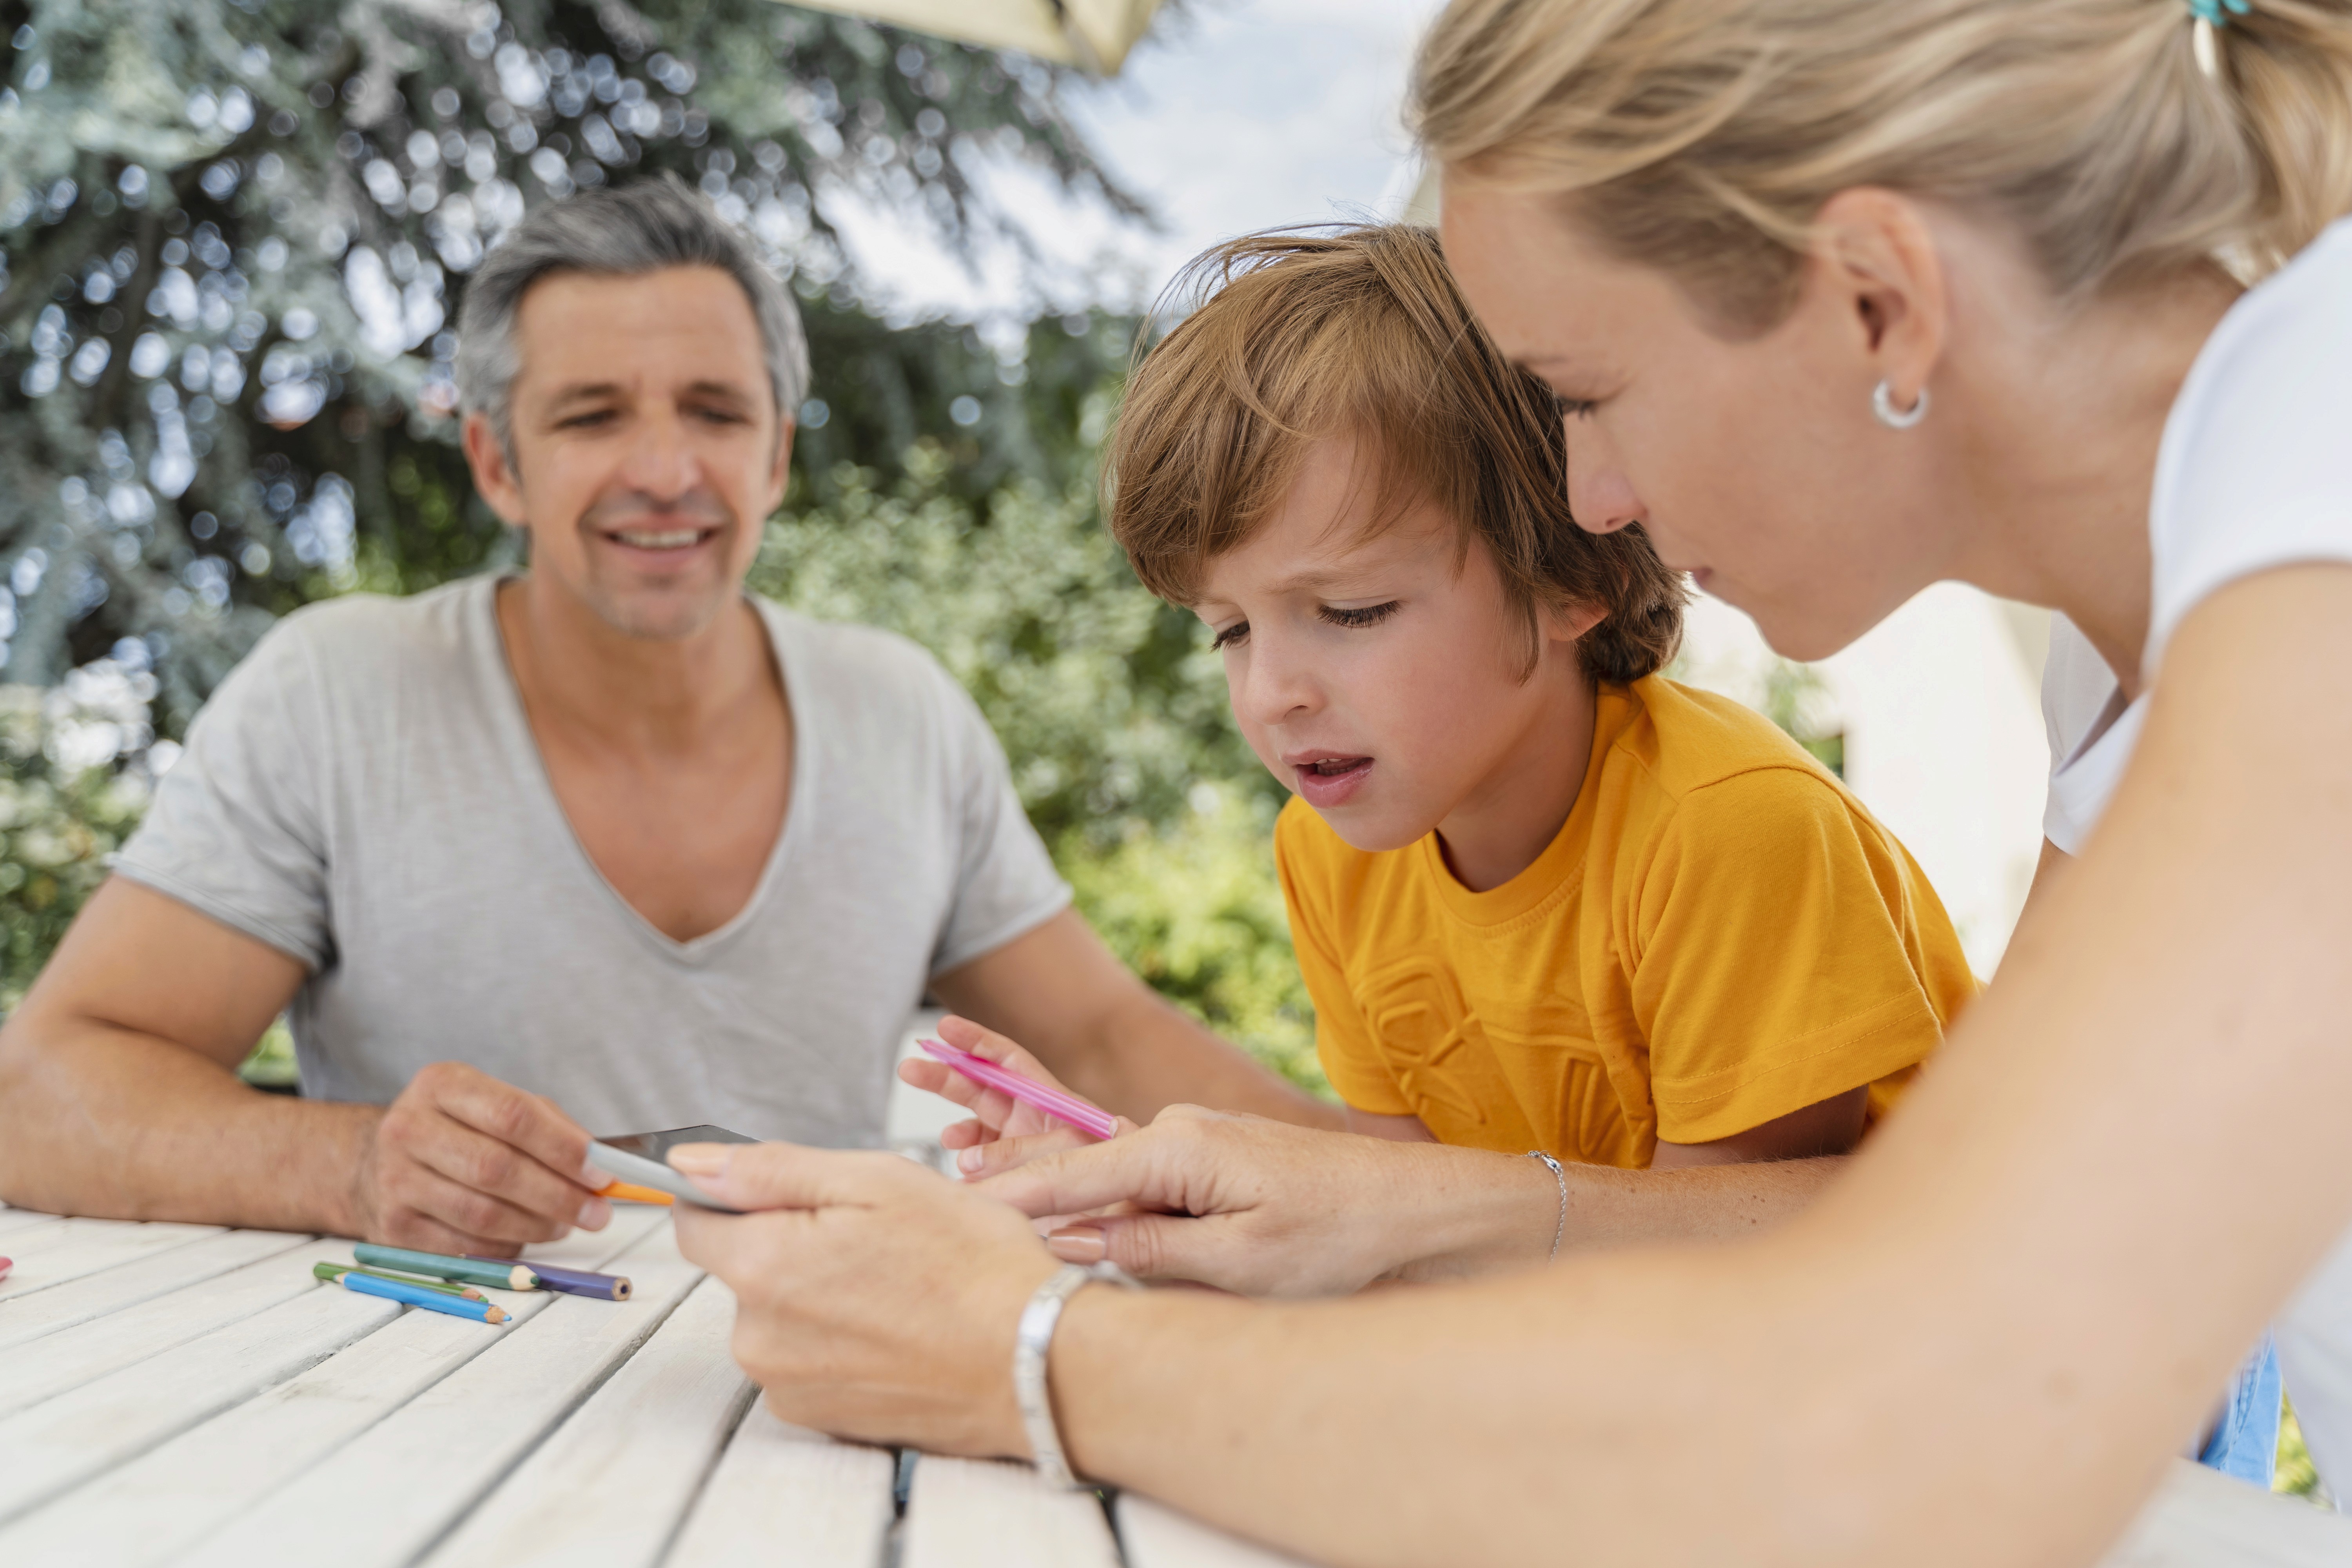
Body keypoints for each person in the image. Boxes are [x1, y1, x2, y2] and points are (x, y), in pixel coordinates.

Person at [667, 0, 2352, 1560]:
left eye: (1584, 393)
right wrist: (1371, 1203)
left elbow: (1882, 1409)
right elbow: (1995, 1272)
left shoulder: (2317, 470)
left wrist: (1028, 1351)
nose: (1592, 499)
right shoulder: (2142, 635)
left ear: (1877, 300)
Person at [0, 177, 1329, 1256]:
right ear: (495, 462)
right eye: (591, 416)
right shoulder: (338, 693)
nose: (663, 471)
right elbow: (42, 1093)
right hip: (423, 1408)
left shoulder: (900, 711)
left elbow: (1100, 1042)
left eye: (713, 410)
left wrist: (1394, 1180)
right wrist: (354, 1164)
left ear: (776, 455)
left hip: (822, 1387)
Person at [924, 223, 1976, 1294]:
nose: (1269, 691)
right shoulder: (1332, 854)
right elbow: (1408, 1238)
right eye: (1230, 630)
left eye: (1351, 609)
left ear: (1575, 573)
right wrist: (1128, 1175)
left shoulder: (1732, 833)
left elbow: (1718, 1284)